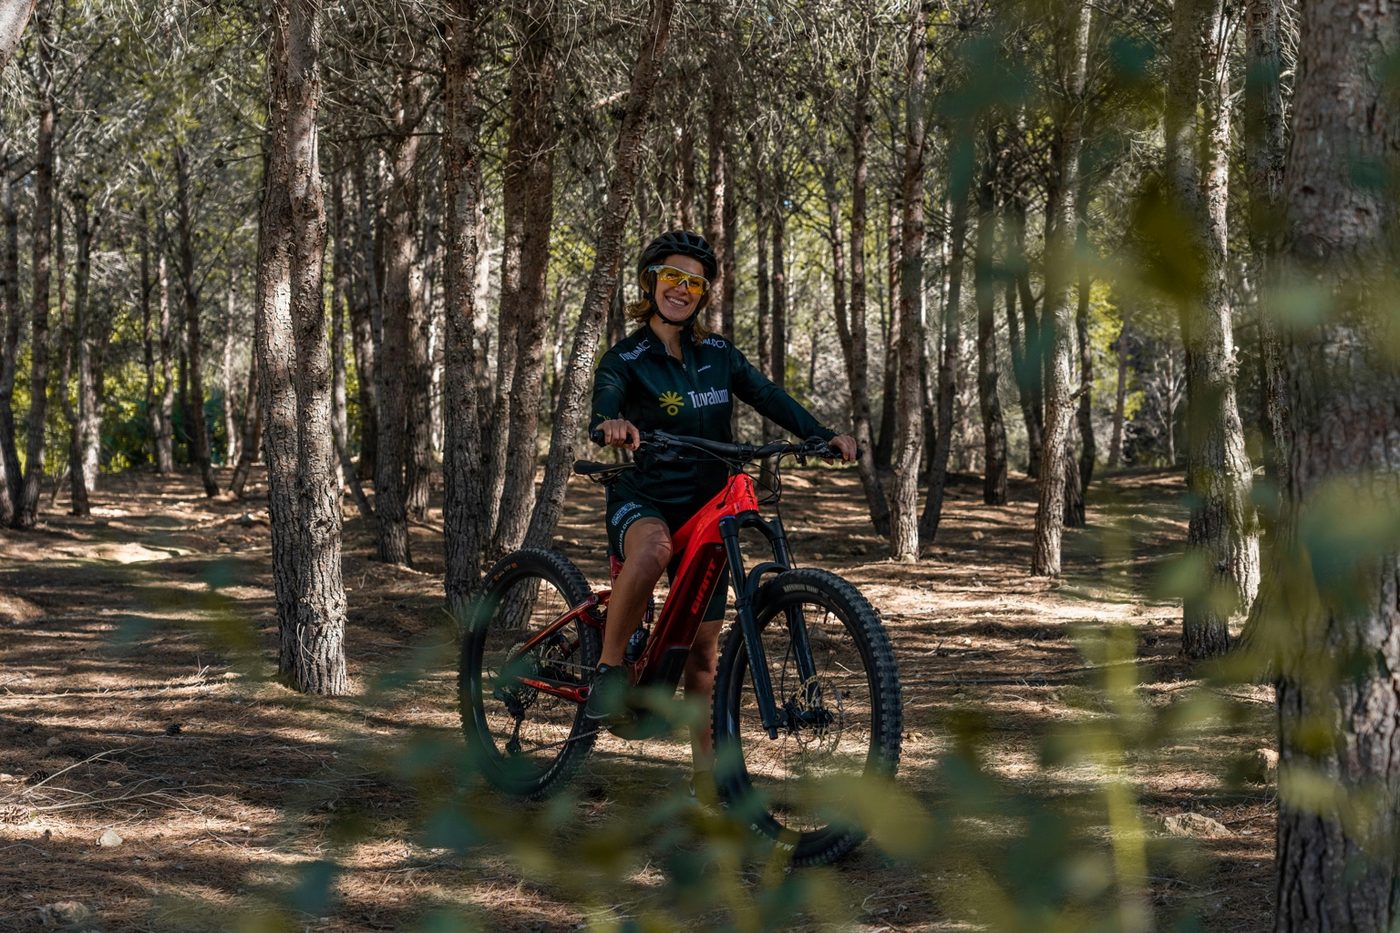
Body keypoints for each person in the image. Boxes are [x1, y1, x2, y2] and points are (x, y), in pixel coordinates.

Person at [586, 229, 857, 790]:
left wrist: (821, 435)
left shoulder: (719, 355)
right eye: (671, 278)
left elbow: (768, 396)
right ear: (651, 283)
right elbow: (606, 397)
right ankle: (610, 670)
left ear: (703, 293)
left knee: (704, 653)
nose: (681, 290)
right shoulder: (627, 357)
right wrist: (612, 423)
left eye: (693, 282)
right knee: (654, 550)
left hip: (707, 508)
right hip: (645, 497)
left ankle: (710, 782)